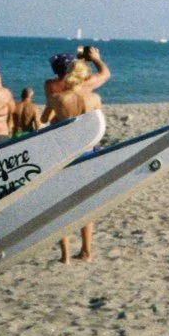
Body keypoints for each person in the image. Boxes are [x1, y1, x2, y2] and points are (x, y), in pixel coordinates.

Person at [43, 48, 112, 262]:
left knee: (61, 204)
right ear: (84, 76)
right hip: (87, 152)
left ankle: (64, 256)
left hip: (64, 153)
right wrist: (96, 59)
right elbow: (96, 126)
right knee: (85, 203)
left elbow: (45, 118)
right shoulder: (94, 98)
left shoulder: (56, 97)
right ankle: (86, 251)